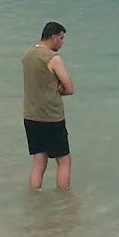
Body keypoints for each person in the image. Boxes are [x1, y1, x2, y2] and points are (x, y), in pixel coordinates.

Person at [22, 21, 74, 190]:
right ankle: (63, 202)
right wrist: (60, 88)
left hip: (30, 116)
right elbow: (70, 88)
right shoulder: (53, 59)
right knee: (64, 161)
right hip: (51, 117)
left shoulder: (27, 55)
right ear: (53, 37)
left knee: (39, 160)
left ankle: (34, 197)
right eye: (61, 38)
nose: (62, 42)